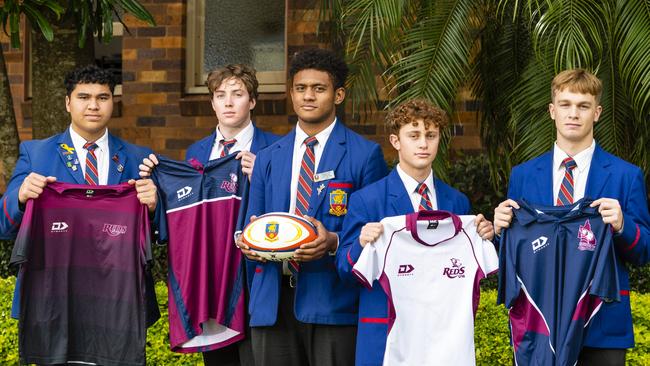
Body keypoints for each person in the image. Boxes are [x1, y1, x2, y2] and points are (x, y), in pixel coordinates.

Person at [237, 48, 388, 366]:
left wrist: (332, 241)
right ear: (291, 93)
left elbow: (377, 235)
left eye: (319, 89)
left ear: (338, 95)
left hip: (332, 302)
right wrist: (249, 243)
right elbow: (255, 220)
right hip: (272, 302)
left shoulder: (364, 155)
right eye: (300, 88)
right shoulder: (268, 156)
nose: (308, 96)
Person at [493, 68, 650, 365]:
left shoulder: (626, 176)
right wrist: (500, 231)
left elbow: (644, 252)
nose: (573, 114)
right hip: (541, 324)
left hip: (602, 324)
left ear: (597, 113)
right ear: (552, 111)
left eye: (583, 106)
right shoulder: (523, 176)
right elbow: (514, 253)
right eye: (565, 105)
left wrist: (622, 226)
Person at [139, 64, 280, 366]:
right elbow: (182, 220)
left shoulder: (275, 150)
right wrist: (154, 202)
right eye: (220, 95)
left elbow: (289, 213)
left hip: (257, 283)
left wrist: (264, 181)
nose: (229, 103)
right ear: (212, 103)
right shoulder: (196, 153)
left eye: (237, 94)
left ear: (252, 101)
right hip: (211, 283)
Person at [335, 99, 494, 365]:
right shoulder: (368, 200)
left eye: (431, 136)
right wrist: (361, 243)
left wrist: (486, 234)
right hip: (388, 334)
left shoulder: (457, 202)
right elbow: (343, 270)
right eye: (414, 135)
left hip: (443, 338)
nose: (423, 144)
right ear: (396, 141)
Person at [1, 64, 157, 238]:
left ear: (113, 101)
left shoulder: (139, 158)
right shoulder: (36, 154)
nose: (93, 106)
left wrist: (153, 209)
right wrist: (20, 198)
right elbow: (3, 225)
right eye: (83, 97)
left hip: (119, 262)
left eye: (103, 98)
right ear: (68, 103)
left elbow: (160, 232)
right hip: (55, 261)